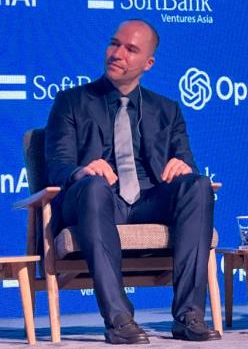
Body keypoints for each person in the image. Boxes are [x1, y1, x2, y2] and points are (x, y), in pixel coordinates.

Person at [45, 19, 220, 344]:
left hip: (149, 200)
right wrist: (82, 171)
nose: (117, 53)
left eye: (130, 49)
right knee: (94, 186)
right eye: (114, 44)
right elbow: (56, 166)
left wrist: (182, 166)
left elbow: (187, 163)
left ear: (148, 63)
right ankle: (119, 320)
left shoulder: (167, 110)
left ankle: (189, 315)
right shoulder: (71, 102)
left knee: (198, 185)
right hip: (94, 201)